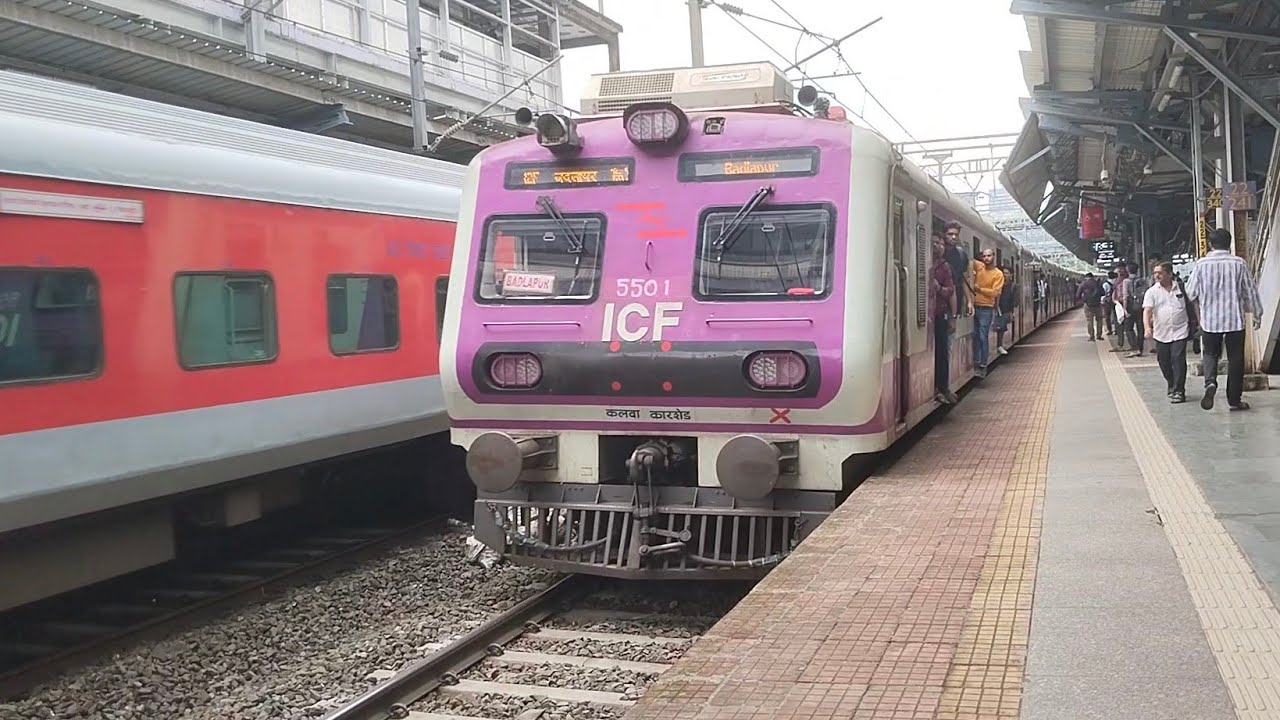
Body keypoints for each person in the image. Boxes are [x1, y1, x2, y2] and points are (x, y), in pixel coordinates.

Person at [1187, 228, 1264, 411]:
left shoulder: (1201, 265)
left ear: (1211, 244)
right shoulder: (1239, 263)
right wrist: (1257, 313)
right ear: (1229, 244)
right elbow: (1250, 291)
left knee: (1210, 354)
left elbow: (1190, 293)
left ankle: (1210, 383)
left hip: (1210, 321)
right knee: (1236, 359)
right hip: (1234, 320)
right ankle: (1234, 400)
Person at [1143, 261, 1194, 404]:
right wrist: (1147, 328)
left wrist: (1199, 321)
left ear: (1169, 274)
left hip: (1180, 330)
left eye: (1160, 273)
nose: (1156, 276)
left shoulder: (1182, 289)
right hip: (1161, 332)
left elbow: (1193, 304)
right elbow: (1147, 311)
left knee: (1178, 359)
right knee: (1163, 361)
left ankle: (1179, 390)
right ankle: (1171, 383)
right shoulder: (1152, 292)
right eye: (1155, 273)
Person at [929, 233, 959, 405]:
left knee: (942, 353)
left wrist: (938, 288)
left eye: (940, 243)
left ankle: (943, 387)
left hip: (940, 315)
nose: (937, 246)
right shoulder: (923, 261)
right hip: (926, 316)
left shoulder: (945, 267)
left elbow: (950, 291)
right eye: (934, 243)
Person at [970, 248, 1004, 377]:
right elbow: (969, 260)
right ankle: (976, 361)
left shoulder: (998, 274)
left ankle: (983, 364)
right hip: (975, 306)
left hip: (986, 308)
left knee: (982, 336)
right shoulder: (979, 267)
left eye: (989, 255)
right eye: (984, 256)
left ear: (993, 256)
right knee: (975, 335)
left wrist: (980, 289)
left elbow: (995, 292)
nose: (986, 258)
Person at [942, 222, 971, 316]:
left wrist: (969, 301)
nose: (953, 237)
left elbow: (964, 279)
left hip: (956, 296)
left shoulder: (961, 254)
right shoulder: (938, 252)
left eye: (956, 235)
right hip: (940, 296)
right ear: (944, 235)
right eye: (950, 234)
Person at [1075, 272, 1105, 341]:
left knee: (1089, 321)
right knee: (1099, 320)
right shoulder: (1098, 283)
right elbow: (1103, 293)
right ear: (1093, 277)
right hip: (1097, 304)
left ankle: (1091, 336)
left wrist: (1082, 300)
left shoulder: (1084, 284)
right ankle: (1099, 335)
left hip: (1088, 305)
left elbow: (1078, 295)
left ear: (1086, 277)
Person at [994, 266, 1017, 354]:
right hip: (999, 308)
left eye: (1007, 273)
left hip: (1006, 310)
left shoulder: (1013, 286)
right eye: (1003, 273)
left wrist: (1011, 312)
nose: (1004, 275)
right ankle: (999, 345)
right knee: (1000, 327)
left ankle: (1000, 345)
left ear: (1011, 275)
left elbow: (1015, 301)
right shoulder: (999, 284)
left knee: (1001, 327)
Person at [1101, 271, 1117, 336]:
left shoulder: (1105, 284)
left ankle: (1109, 330)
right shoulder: (1116, 282)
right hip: (1116, 301)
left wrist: (1102, 301)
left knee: (1107, 316)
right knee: (1116, 316)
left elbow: (1103, 294)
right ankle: (1117, 330)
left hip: (1107, 302)